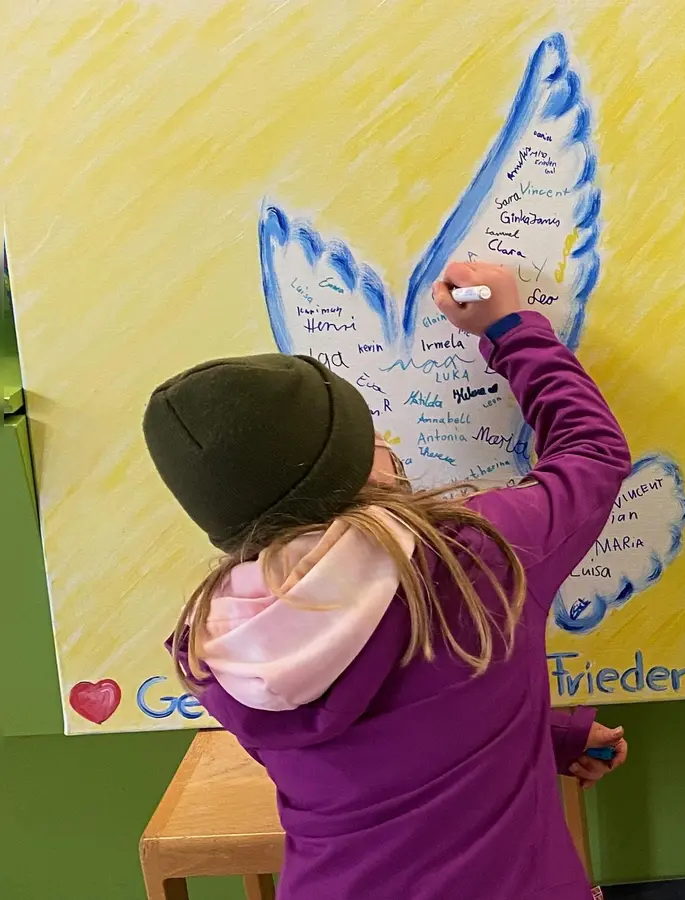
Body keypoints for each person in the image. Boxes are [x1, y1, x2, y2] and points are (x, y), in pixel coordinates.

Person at [142, 262, 631, 900]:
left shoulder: (215, 646)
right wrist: (509, 326)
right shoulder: (475, 560)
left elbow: (376, 753)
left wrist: (550, 734)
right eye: (370, 434)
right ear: (361, 473)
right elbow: (593, 452)